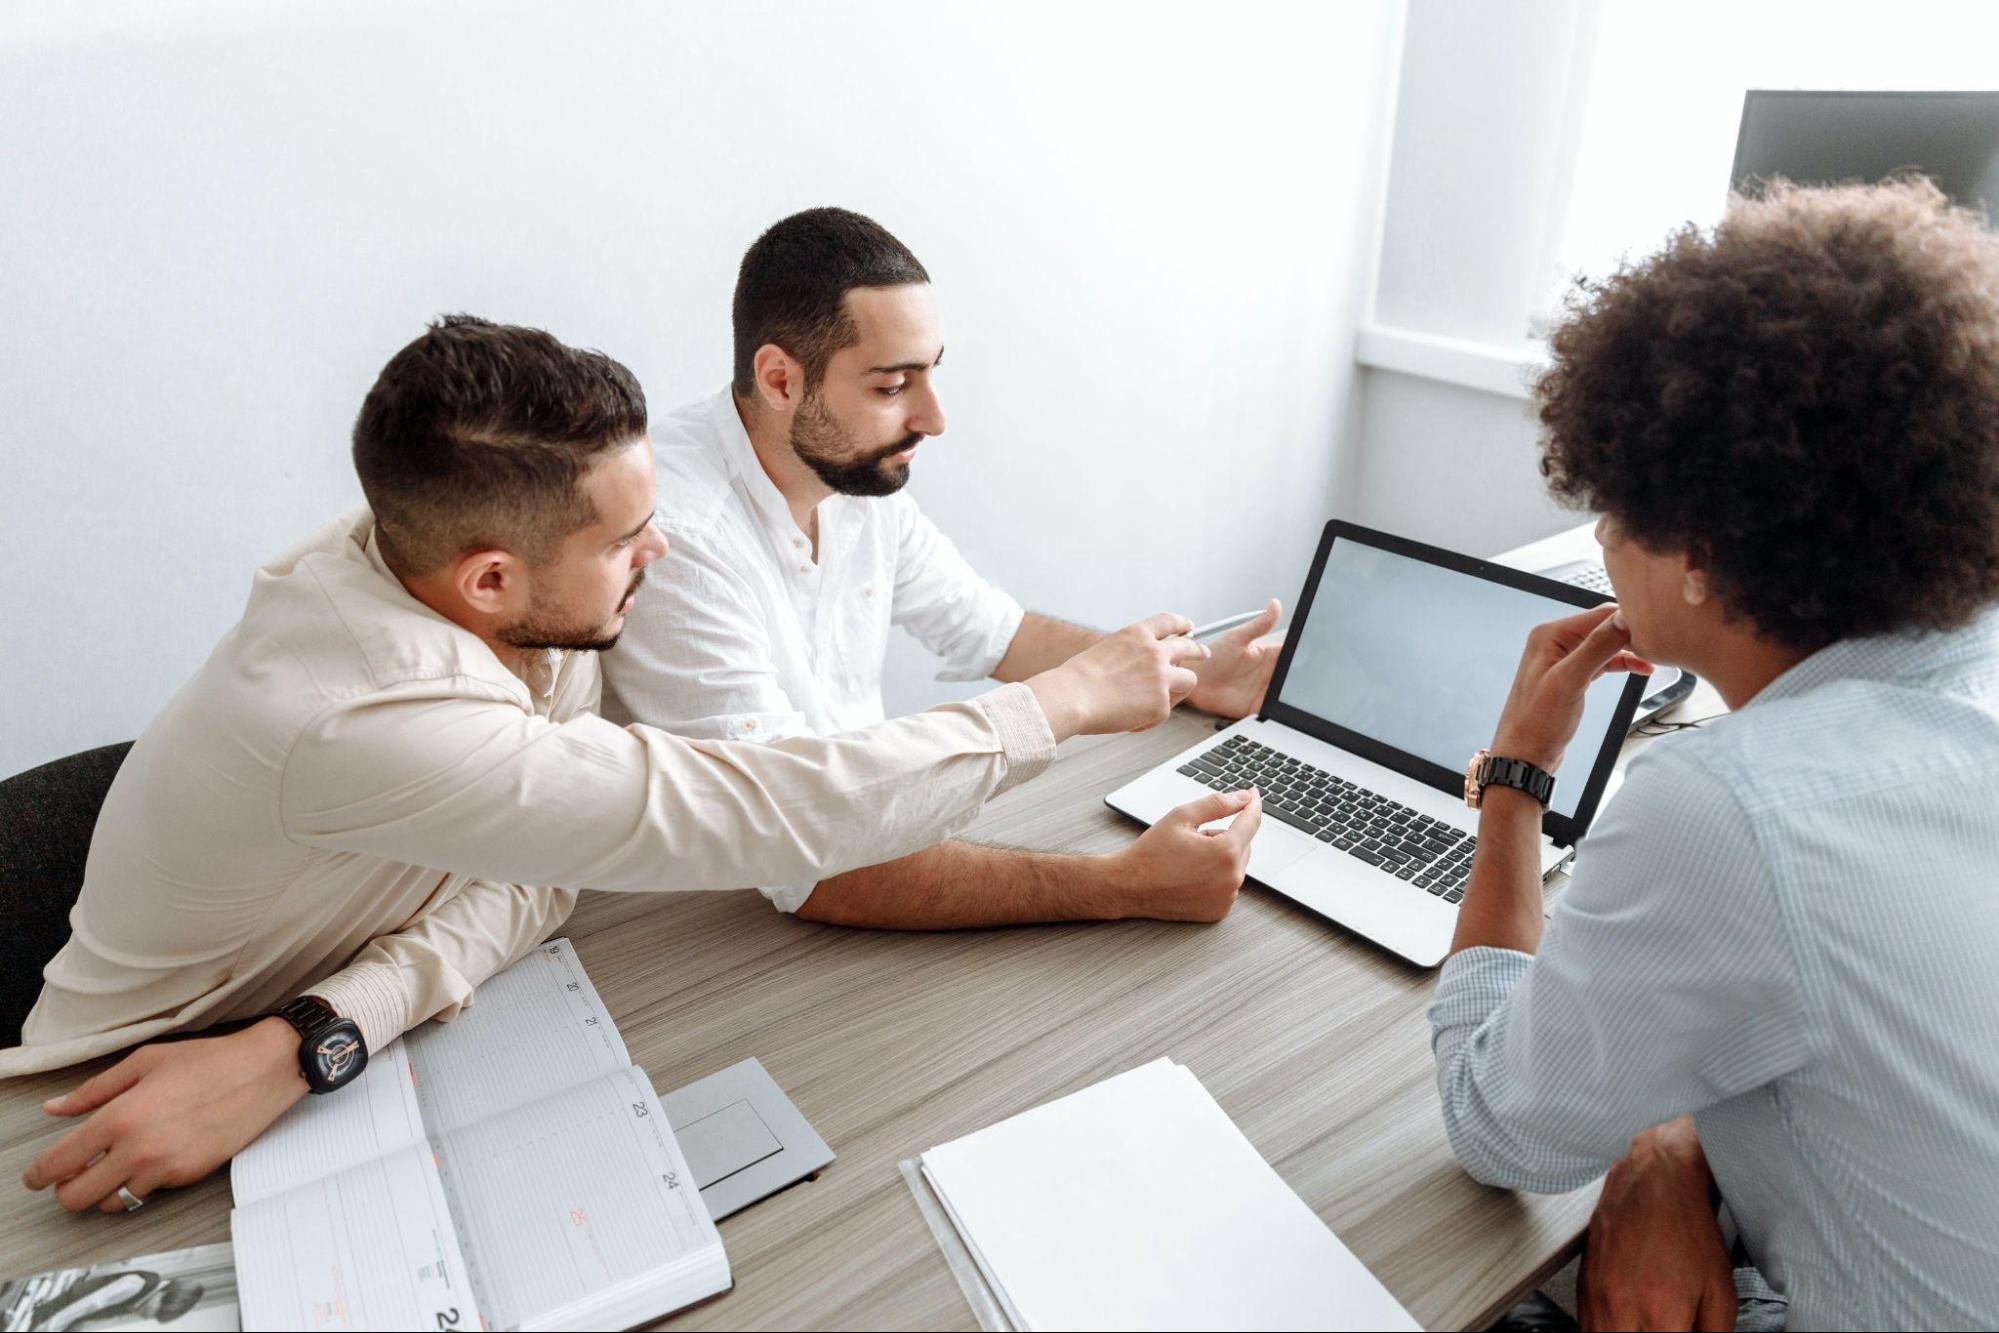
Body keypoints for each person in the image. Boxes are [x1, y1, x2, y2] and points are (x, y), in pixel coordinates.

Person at [8, 315, 1253, 1214]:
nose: (663, 553)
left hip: (313, 1046)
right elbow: (763, 819)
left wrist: (316, 1035)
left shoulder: (472, 583)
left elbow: (538, 880)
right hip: (111, 1110)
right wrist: (1057, 705)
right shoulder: (364, 708)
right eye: (628, 538)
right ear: (492, 577)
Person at [1432, 180, 1999, 1329]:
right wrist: (1668, 1133)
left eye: (1612, 502)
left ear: (1696, 548)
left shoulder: (1729, 806)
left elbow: (1499, 1128)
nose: (1597, 535)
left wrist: (1513, 783)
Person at [602, 208, 1282, 927]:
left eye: (931, 373)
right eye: (893, 387)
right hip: (694, 931)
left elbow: (995, 631)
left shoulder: (853, 474)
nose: (934, 418)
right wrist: (1120, 886)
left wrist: (1187, 673)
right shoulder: (675, 536)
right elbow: (807, 860)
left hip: (848, 865)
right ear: (779, 380)